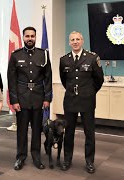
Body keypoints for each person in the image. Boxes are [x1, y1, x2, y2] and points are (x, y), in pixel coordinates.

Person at [7, 26, 52, 170]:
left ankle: (36, 157)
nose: (30, 38)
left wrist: (47, 98)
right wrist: (14, 100)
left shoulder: (43, 54)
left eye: (32, 36)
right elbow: (11, 79)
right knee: (22, 130)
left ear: (36, 37)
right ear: (23, 37)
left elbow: (48, 77)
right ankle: (20, 157)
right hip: (22, 98)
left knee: (37, 129)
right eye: (27, 36)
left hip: (38, 98)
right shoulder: (15, 55)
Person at [59, 31, 104, 173]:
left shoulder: (92, 58)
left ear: (82, 41)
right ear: (69, 42)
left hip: (87, 101)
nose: (75, 42)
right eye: (72, 39)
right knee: (69, 132)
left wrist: (89, 92)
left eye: (78, 39)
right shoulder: (64, 60)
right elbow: (64, 80)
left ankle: (89, 161)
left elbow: (99, 79)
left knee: (89, 133)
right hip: (70, 100)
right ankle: (67, 159)